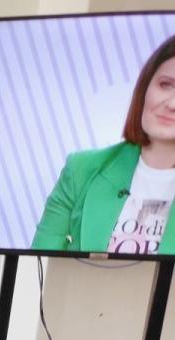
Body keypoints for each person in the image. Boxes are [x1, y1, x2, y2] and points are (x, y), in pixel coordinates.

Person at [33, 35, 175, 255]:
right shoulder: (81, 170)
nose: (171, 104)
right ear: (146, 86)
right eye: (166, 85)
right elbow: (37, 264)